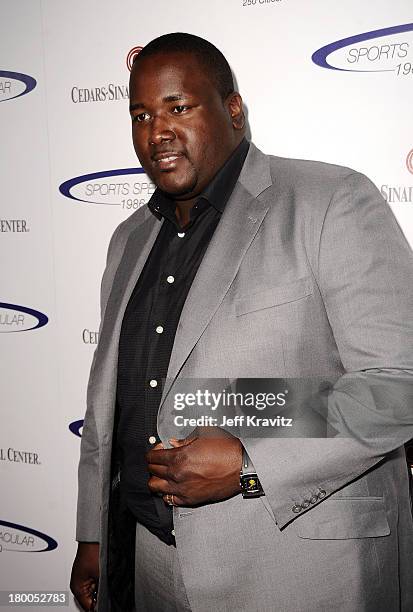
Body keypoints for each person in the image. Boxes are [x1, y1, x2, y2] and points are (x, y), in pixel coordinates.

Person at [70, 33, 413, 612]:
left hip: (298, 570)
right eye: (141, 114)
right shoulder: (127, 240)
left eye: (179, 107)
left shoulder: (331, 201)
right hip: (152, 564)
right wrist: (94, 533)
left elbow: (397, 382)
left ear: (232, 108)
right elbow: (113, 406)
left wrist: (251, 461)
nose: (157, 132)